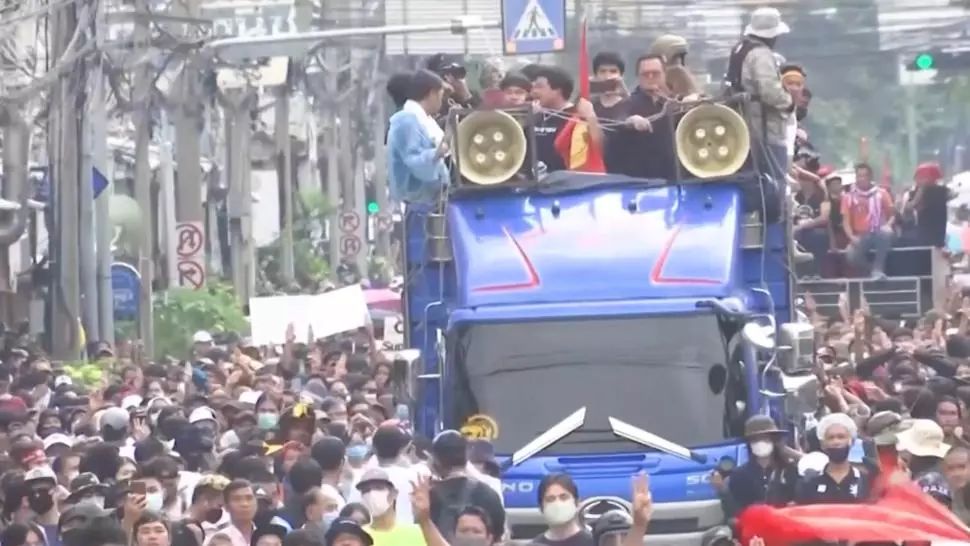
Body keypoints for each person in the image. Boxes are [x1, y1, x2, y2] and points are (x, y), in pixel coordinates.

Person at [725, 7, 796, 187]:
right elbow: (770, 91)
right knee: (774, 183)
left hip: (743, 126)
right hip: (765, 130)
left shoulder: (739, 49)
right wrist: (789, 103)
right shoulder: (761, 54)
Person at [606, 54, 677, 181]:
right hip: (641, 181)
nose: (650, 77)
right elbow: (619, 118)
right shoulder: (627, 103)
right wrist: (631, 121)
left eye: (655, 73)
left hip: (674, 179)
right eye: (645, 74)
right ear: (638, 77)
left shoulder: (674, 102)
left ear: (664, 74)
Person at [386, 69, 450, 207]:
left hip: (431, 198)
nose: (441, 102)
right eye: (440, 96)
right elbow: (413, 160)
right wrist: (436, 153)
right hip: (418, 201)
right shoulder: (406, 121)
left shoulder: (423, 119)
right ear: (432, 94)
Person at [427, 431, 504, 542]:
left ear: (436, 460)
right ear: (467, 455)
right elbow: (500, 534)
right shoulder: (489, 493)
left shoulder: (428, 498)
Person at [530, 65, 601, 174]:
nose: (533, 92)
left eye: (539, 87)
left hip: (567, 179)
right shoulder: (536, 115)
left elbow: (598, 148)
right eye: (533, 87)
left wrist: (591, 118)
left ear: (558, 90)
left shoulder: (576, 115)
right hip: (536, 180)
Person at [725, 416, 798, 515]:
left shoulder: (789, 470)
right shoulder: (739, 475)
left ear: (773, 440)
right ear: (749, 443)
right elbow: (736, 510)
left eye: (765, 438)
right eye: (755, 439)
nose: (760, 443)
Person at [794, 413, 870, 504]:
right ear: (823, 444)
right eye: (831, 438)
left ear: (851, 442)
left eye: (841, 437)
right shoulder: (809, 482)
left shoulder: (864, 480)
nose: (836, 442)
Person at [841, 162, 894, 279]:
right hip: (860, 235)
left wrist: (888, 225)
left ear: (870, 177)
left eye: (865, 176)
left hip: (878, 231)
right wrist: (852, 237)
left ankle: (878, 268)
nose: (862, 179)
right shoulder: (848, 197)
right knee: (851, 256)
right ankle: (871, 270)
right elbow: (846, 222)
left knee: (886, 233)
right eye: (859, 176)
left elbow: (892, 214)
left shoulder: (882, 193)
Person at [356, 468, 425, 546]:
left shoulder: (417, 533)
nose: (371, 494)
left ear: (394, 493)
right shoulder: (357, 537)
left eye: (378, 487)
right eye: (365, 490)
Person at [532, 473, 592, 546]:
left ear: (577, 502)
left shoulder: (592, 542)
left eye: (564, 497)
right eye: (550, 499)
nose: (558, 503)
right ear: (541, 507)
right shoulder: (536, 544)